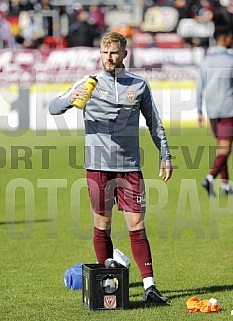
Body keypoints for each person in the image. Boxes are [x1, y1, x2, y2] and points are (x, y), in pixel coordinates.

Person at [49, 32, 173, 303]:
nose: (109, 57)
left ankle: (150, 286)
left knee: (137, 225)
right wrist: (72, 99)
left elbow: (155, 123)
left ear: (124, 54)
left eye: (114, 52)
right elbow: (53, 107)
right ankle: (107, 281)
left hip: (129, 167)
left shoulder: (138, 85)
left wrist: (165, 155)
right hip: (98, 167)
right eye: (105, 52)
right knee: (102, 225)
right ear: (100, 54)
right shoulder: (88, 82)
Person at [197, 25, 233, 197]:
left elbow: (199, 88)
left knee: (221, 148)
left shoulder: (206, 60)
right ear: (225, 38)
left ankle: (226, 186)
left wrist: (199, 111)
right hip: (228, 110)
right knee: (225, 150)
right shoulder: (231, 59)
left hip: (212, 111)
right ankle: (210, 178)